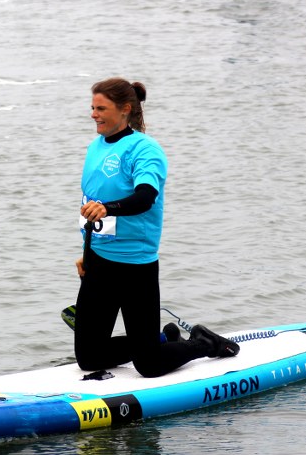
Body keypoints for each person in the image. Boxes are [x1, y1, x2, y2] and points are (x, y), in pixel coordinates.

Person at [74, 77, 239, 378]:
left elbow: (145, 197)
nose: (93, 114)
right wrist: (86, 250)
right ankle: (162, 340)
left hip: (134, 267)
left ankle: (203, 343)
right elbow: (91, 205)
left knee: (148, 365)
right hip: (98, 261)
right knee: (90, 357)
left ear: (125, 109)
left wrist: (108, 208)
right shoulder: (95, 147)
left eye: (101, 108)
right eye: (92, 107)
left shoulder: (145, 150)